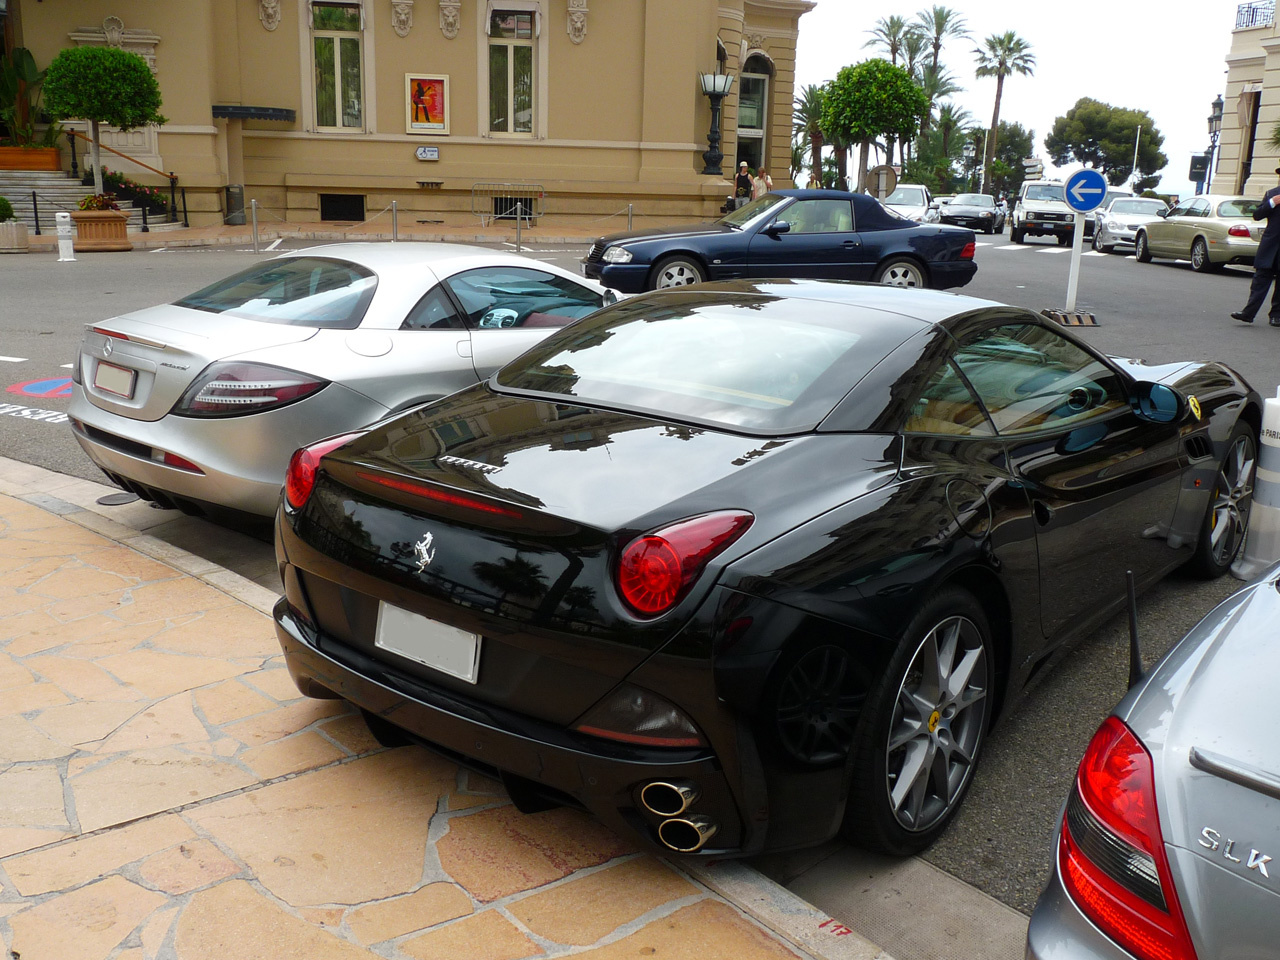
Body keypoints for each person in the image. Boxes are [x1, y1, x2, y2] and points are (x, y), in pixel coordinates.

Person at [1234, 166, 1280, 325]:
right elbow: (1257, 215)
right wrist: (1271, 203)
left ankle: (1276, 315)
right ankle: (1248, 313)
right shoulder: (1272, 194)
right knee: (1259, 282)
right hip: (1269, 246)